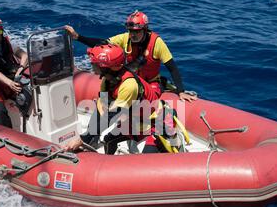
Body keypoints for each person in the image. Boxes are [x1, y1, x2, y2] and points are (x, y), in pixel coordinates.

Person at [64, 11, 198, 102]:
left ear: (145, 30)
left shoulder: (157, 43)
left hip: (150, 82)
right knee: (109, 83)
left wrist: (181, 91)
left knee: (144, 99)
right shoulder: (125, 38)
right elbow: (103, 43)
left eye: (137, 32)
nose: (132, 35)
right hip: (131, 79)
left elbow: (172, 67)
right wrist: (78, 37)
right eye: (131, 31)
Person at [65, 43, 173, 154]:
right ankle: (108, 164)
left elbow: (111, 116)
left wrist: (83, 139)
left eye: (95, 63)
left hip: (156, 122)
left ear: (106, 67)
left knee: (148, 158)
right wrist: (89, 135)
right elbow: (101, 109)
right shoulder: (107, 82)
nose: (92, 65)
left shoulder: (129, 86)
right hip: (137, 122)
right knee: (109, 140)